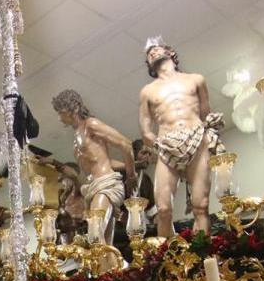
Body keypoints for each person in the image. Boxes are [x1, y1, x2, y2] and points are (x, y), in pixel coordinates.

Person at [139, 38, 224, 236]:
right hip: (166, 146)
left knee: (200, 205)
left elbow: (206, 116)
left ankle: (203, 256)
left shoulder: (196, 79)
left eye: (156, 48)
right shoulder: (147, 91)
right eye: (148, 54)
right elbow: (145, 129)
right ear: (148, 65)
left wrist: (210, 138)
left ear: (170, 52)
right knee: (163, 209)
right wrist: (156, 143)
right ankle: (166, 261)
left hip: (197, 140)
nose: (152, 52)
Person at [52, 90, 136, 246]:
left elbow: (125, 144)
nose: (59, 117)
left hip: (106, 184)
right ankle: (113, 270)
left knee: (94, 234)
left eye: (60, 112)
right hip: (93, 188)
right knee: (102, 242)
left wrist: (131, 176)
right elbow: (104, 160)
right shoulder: (76, 135)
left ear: (73, 108)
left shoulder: (91, 124)